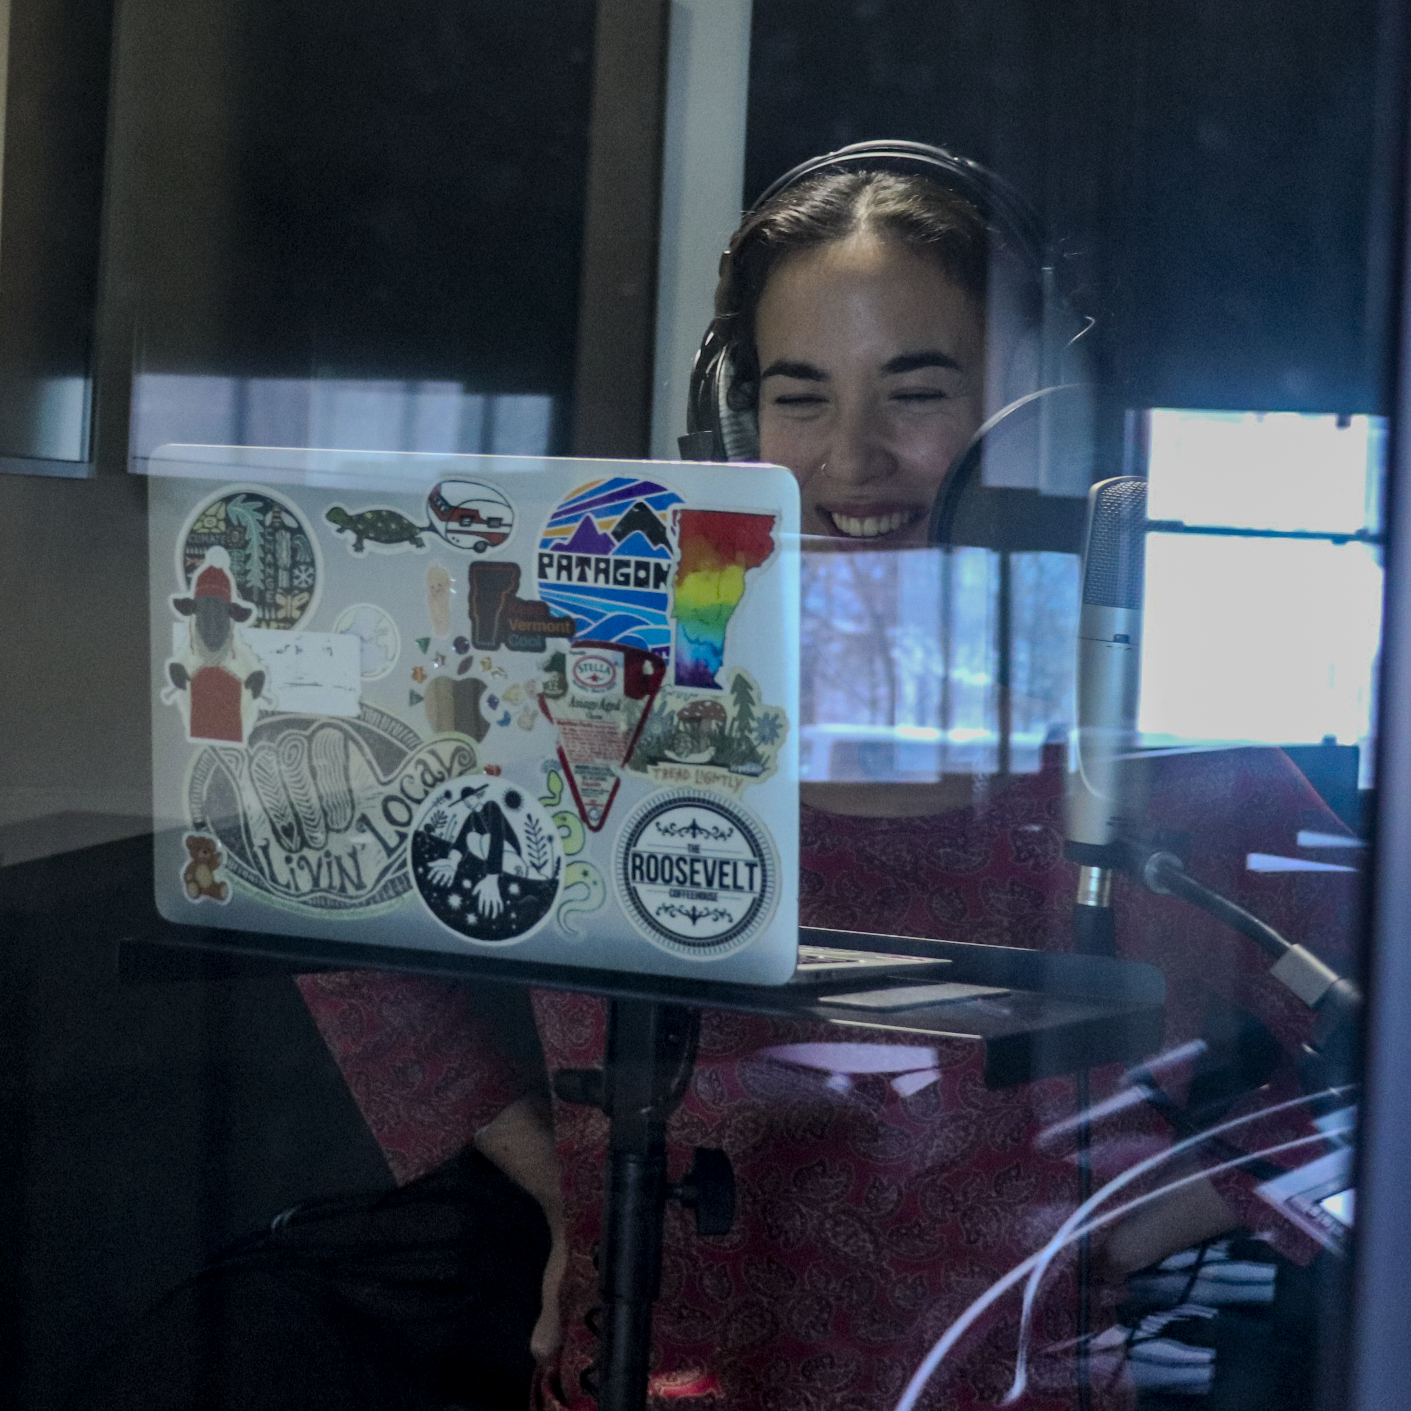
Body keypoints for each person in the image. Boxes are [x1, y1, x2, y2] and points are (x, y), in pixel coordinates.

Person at [297, 152, 1354, 1410]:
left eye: (916, 392)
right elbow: (328, 889)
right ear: (735, 425)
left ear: (1033, 421)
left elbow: (1371, 1049)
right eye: (799, 397)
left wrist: (1117, 1233)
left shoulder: (1133, 750)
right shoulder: (609, 706)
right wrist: (563, 1190)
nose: (852, 458)